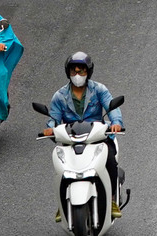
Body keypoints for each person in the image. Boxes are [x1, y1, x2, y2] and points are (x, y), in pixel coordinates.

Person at [44, 53, 125, 221]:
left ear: (88, 72)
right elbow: (53, 118)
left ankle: (111, 200)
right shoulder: (59, 96)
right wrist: (50, 129)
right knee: (61, 168)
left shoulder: (99, 90)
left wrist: (116, 122)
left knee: (110, 161)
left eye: (81, 72)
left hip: (97, 137)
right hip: (70, 140)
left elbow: (112, 107)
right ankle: (62, 204)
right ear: (68, 73)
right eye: (74, 72)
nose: (77, 75)